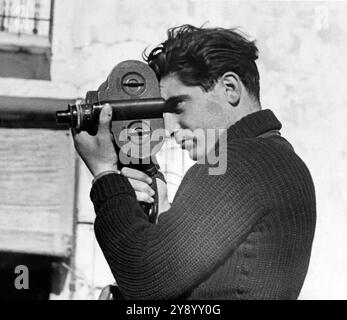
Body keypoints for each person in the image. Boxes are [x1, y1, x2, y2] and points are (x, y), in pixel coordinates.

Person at [72, 25, 316, 300]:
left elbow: (145, 278)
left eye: (178, 106)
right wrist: (162, 212)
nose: (170, 127)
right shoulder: (273, 159)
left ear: (229, 88)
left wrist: (104, 173)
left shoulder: (240, 162)